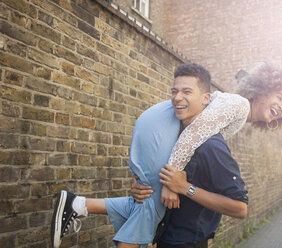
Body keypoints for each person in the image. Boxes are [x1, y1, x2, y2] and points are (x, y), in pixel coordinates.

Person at [51, 63, 251, 248]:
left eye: (187, 91)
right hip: (165, 235)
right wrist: (140, 184)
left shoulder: (212, 146)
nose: (178, 97)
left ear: (205, 98)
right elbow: (155, 184)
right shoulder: (176, 135)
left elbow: (240, 208)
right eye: (175, 91)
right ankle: (78, 204)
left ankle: (78, 204)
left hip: (189, 242)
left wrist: (185, 188)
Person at [132, 62, 282, 247]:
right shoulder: (240, 104)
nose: (281, 107)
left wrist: (147, 182)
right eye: (279, 97)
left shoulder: (237, 117)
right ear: (261, 89)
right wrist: (170, 184)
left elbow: (194, 142)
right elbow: (194, 133)